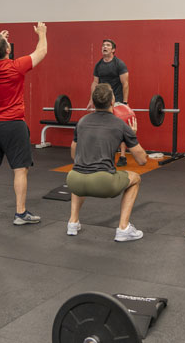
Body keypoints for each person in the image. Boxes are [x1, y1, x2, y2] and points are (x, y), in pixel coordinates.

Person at [0, 23, 47, 225]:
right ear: (8, 50)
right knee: (20, 169)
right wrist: (42, 33)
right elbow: (42, 51)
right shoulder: (16, 66)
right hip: (14, 125)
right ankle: (20, 213)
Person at [68, 83, 147, 241]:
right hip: (104, 183)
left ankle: (72, 222)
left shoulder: (82, 122)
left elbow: (73, 154)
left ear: (94, 102)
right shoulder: (121, 125)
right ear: (112, 102)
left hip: (73, 180)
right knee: (136, 178)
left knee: (81, 170)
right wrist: (133, 135)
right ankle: (123, 228)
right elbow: (142, 160)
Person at [88, 39, 129, 167]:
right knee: (102, 127)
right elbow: (95, 83)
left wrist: (125, 103)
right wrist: (91, 100)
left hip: (116, 100)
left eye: (107, 45)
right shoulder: (98, 65)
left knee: (120, 127)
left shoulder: (119, 64)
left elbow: (125, 83)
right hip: (102, 100)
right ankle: (104, 154)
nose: (104, 47)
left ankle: (122, 156)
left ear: (113, 50)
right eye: (103, 45)